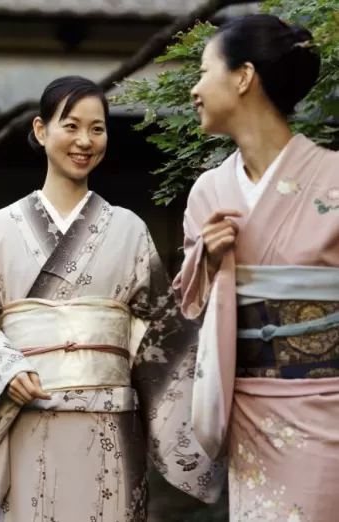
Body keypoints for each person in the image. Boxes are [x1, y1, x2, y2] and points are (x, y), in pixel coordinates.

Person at [0, 75, 224, 521]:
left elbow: (165, 332)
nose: (85, 141)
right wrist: (7, 368)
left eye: (97, 129)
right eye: (71, 126)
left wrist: (209, 275)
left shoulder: (129, 230)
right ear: (41, 131)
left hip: (111, 424)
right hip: (30, 415)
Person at [173, 13, 339, 521]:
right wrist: (208, 256)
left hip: (328, 404)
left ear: (243, 77)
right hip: (246, 409)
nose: (196, 89)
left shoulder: (334, 180)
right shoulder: (209, 192)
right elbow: (189, 302)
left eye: (204, 71)